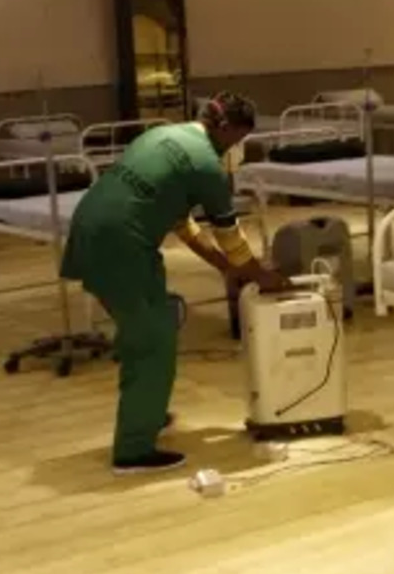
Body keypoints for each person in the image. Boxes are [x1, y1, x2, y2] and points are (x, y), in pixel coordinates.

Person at [61, 92, 291, 475]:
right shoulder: (206, 165)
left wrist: (226, 268)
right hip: (124, 243)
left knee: (150, 322)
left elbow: (181, 222)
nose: (235, 149)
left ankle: (145, 411)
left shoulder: (160, 136)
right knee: (154, 343)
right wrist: (261, 275)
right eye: (236, 140)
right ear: (226, 127)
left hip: (91, 226)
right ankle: (133, 451)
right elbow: (230, 236)